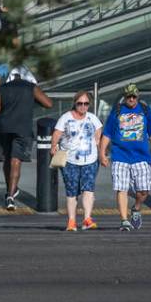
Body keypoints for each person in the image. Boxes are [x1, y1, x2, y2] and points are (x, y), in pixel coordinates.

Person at [99, 83, 151, 232]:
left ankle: (136, 208)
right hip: (120, 156)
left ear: (137, 97)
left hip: (141, 156)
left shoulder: (145, 111)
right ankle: (124, 220)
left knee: (144, 190)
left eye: (134, 96)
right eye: (129, 96)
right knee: (121, 189)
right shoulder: (117, 111)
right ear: (125, 97)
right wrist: (102, 153)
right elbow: (107, 133)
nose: (131, 99)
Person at [0, 66, 52, 211]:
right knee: (16, 161)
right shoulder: (31, 87)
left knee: (8, 159)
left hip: (5, 128)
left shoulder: (4, 88)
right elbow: (49, 104)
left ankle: (10, 190)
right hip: (22, 129)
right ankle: (11, 197)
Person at [51, 91, 103, 232]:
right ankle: (72, 221)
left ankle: (87, 219)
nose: (83, 106)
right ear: (75, 103)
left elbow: (99, 133)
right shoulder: (65, 118)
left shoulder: (93, 118)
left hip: (90, 160)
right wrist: (53, 146)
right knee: (72, 191)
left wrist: (101, 152)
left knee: (88, 189)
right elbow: (57, 133)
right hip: (70, 160)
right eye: (80, 103)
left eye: (86, 104)